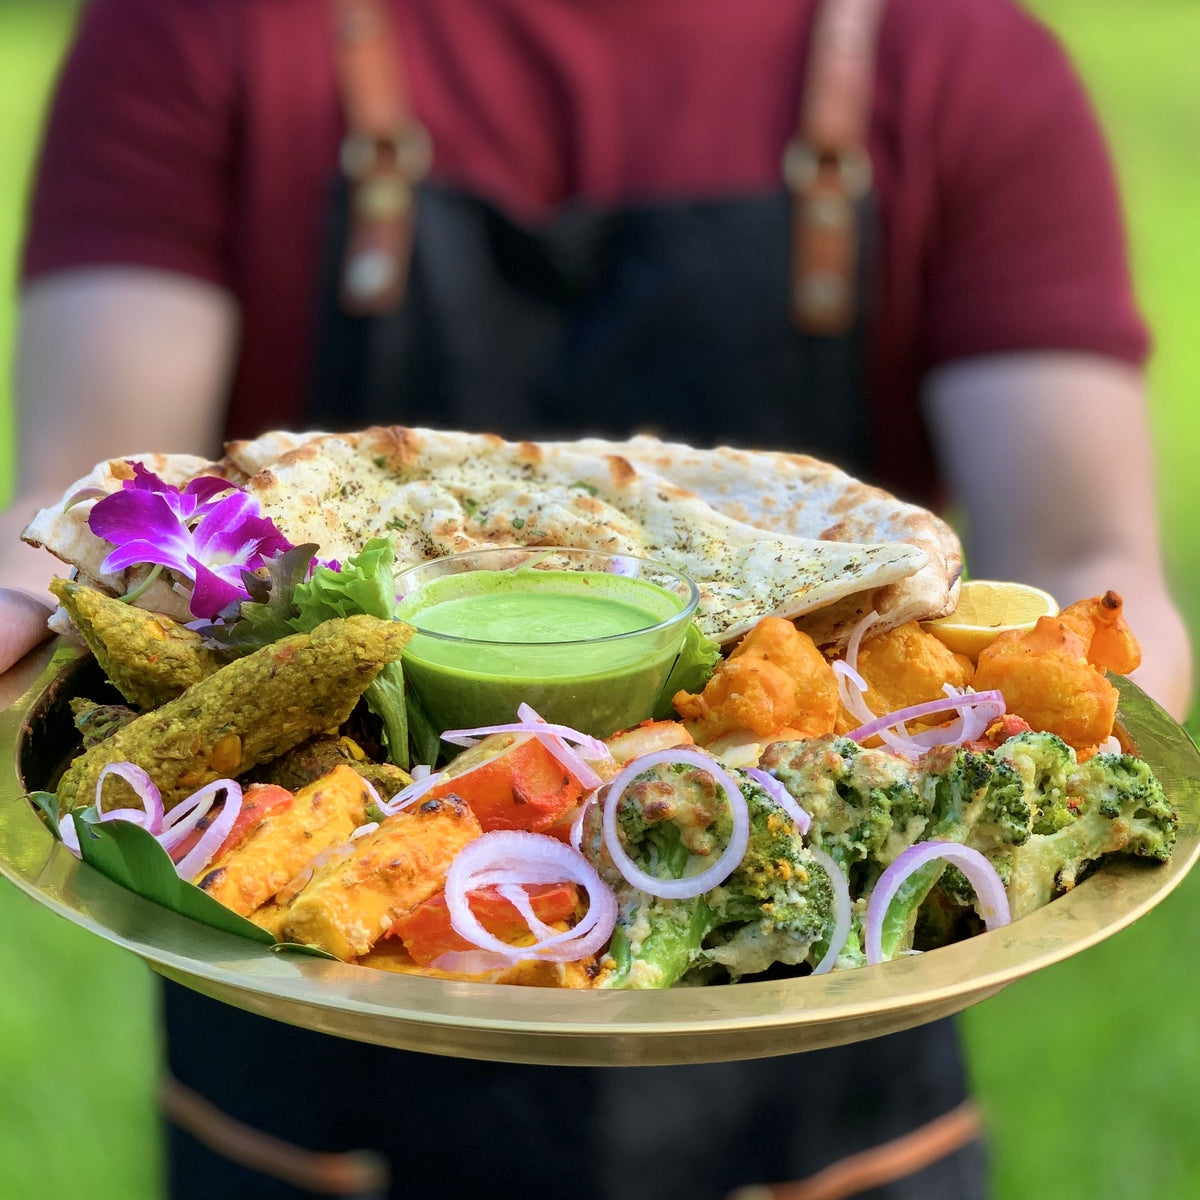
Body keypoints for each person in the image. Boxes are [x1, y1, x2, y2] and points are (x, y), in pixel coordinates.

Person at [1, 0, 1191, 1197]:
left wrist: (1046, 770)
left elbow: (1086, 550)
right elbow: (95, 498)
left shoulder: (965, 62)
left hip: (834, 1105)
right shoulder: (199, 31)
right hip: (305, 1100)